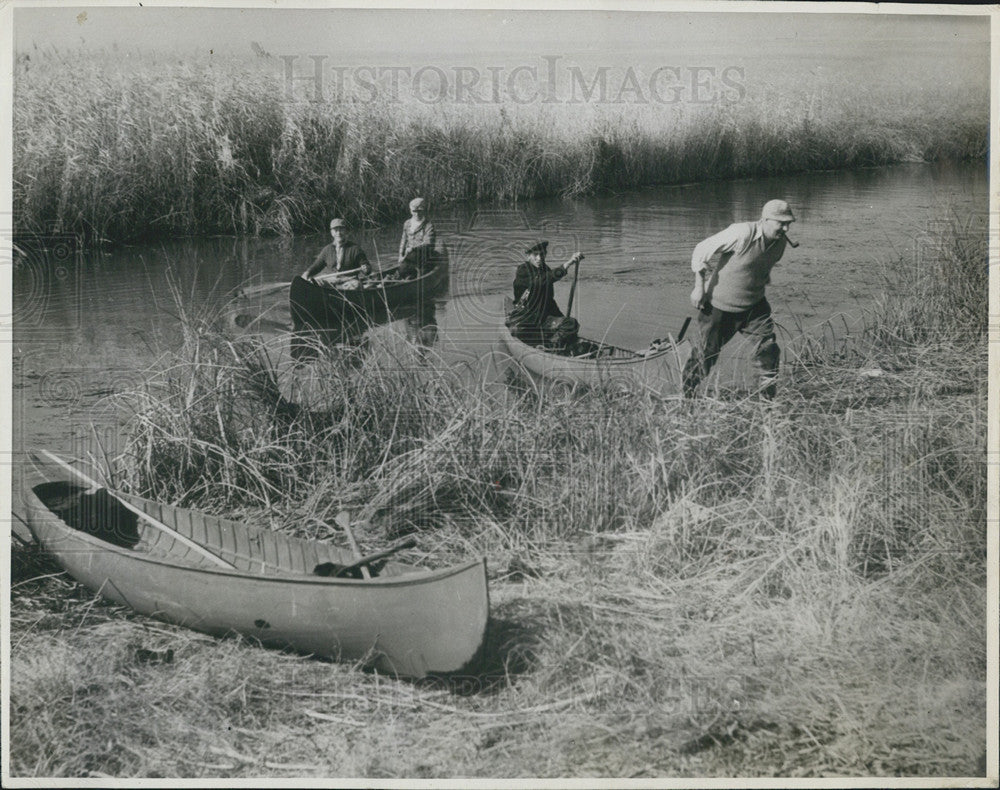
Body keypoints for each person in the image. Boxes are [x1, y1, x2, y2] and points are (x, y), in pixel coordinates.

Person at [681, 199, 796, 399]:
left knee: (768, 349)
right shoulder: (742, 233)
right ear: (765, 220)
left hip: (754, 307)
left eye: (789, 223)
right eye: (781, 223)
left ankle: (766, 402)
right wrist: (699, 288)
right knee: (705, 355)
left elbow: (760, 266)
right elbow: (701, 249)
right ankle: (686, 396)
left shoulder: (780, 244)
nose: (786, 228)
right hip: (718, 307)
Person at [508, 241, 583, 348]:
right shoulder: (523, 271)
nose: (539, 258)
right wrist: (567, 264)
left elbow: (548, 300)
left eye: (542, 254)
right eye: (535, 255)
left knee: (571, 324)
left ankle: (551, 346)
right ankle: (550, 346)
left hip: (543, 319)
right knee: (519, 332)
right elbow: (540, 281)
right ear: (528, 256)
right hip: (525, 320)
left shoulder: (545, 269)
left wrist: (563, 321)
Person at [303, 218, 372, 283]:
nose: (338, 233)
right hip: (331, 281)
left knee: (356, 285)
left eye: (341, 230)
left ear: (346, 231)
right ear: (331, 233)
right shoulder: (327, 250)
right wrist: (307, 273)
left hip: (349, 281)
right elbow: (317, 266)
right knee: (316, 282)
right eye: (336, 230)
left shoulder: (355, 249)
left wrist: (366, 268)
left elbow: (367, 268)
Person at [397, 197, 437, 279]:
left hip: (424, 256)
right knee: (402, 271)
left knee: (421, 274)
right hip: (409, 256)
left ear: (424, 211)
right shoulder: (407, 223)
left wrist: (414, 248)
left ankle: (415, 275)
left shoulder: (428, 225)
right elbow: (403, 240)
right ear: (410, 211)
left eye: (419, 211)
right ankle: (409, 275)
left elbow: (429, 243)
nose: (417, 214)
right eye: (414, 211)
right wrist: (401, 255)